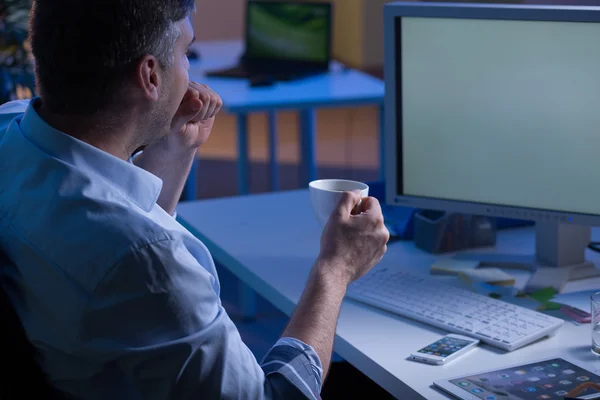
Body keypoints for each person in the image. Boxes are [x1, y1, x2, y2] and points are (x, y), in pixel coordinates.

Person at [0, 1, 390, 399]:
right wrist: (335, 269)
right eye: (186, 54)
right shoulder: (147, 261)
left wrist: (175, 148)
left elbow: (118, 225)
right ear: (150, 75)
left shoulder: (9, 130)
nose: (191, 76)